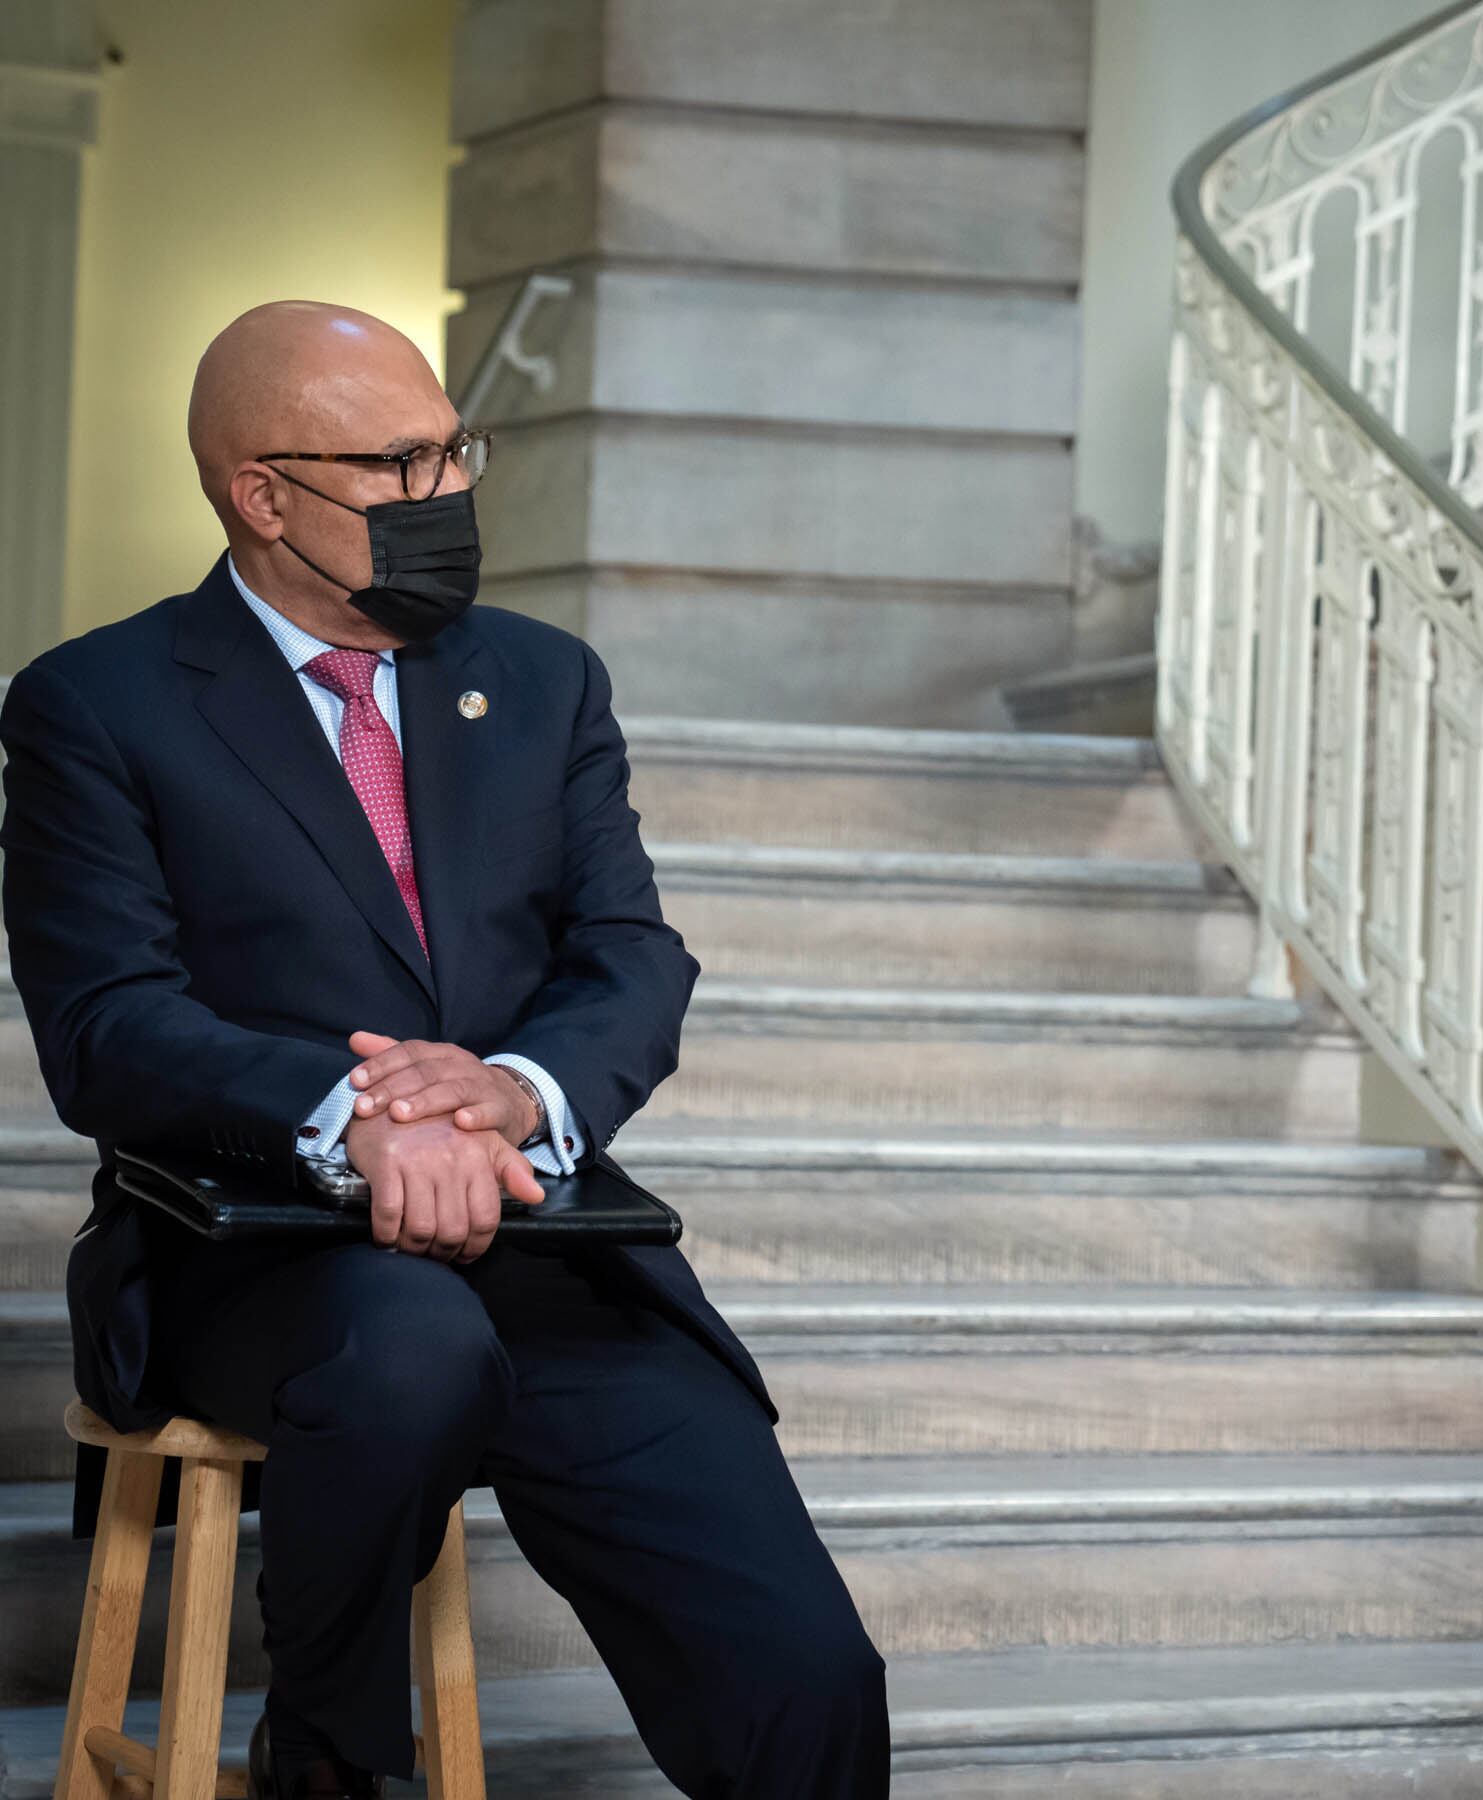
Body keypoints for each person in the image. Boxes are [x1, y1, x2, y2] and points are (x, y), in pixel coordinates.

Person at [0, 302, 886, 1798]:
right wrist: (354, 1113)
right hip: (255, 1255)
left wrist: (506, 1093)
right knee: (413, 1350)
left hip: (541, 1250)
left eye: (453, 453)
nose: (445, 497)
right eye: (396, 466)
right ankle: (329, 1760)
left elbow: (632, 955)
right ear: (260, 494)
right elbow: (106, 1026)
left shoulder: (542, 683)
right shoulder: (97, 704)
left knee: (805, 1676)